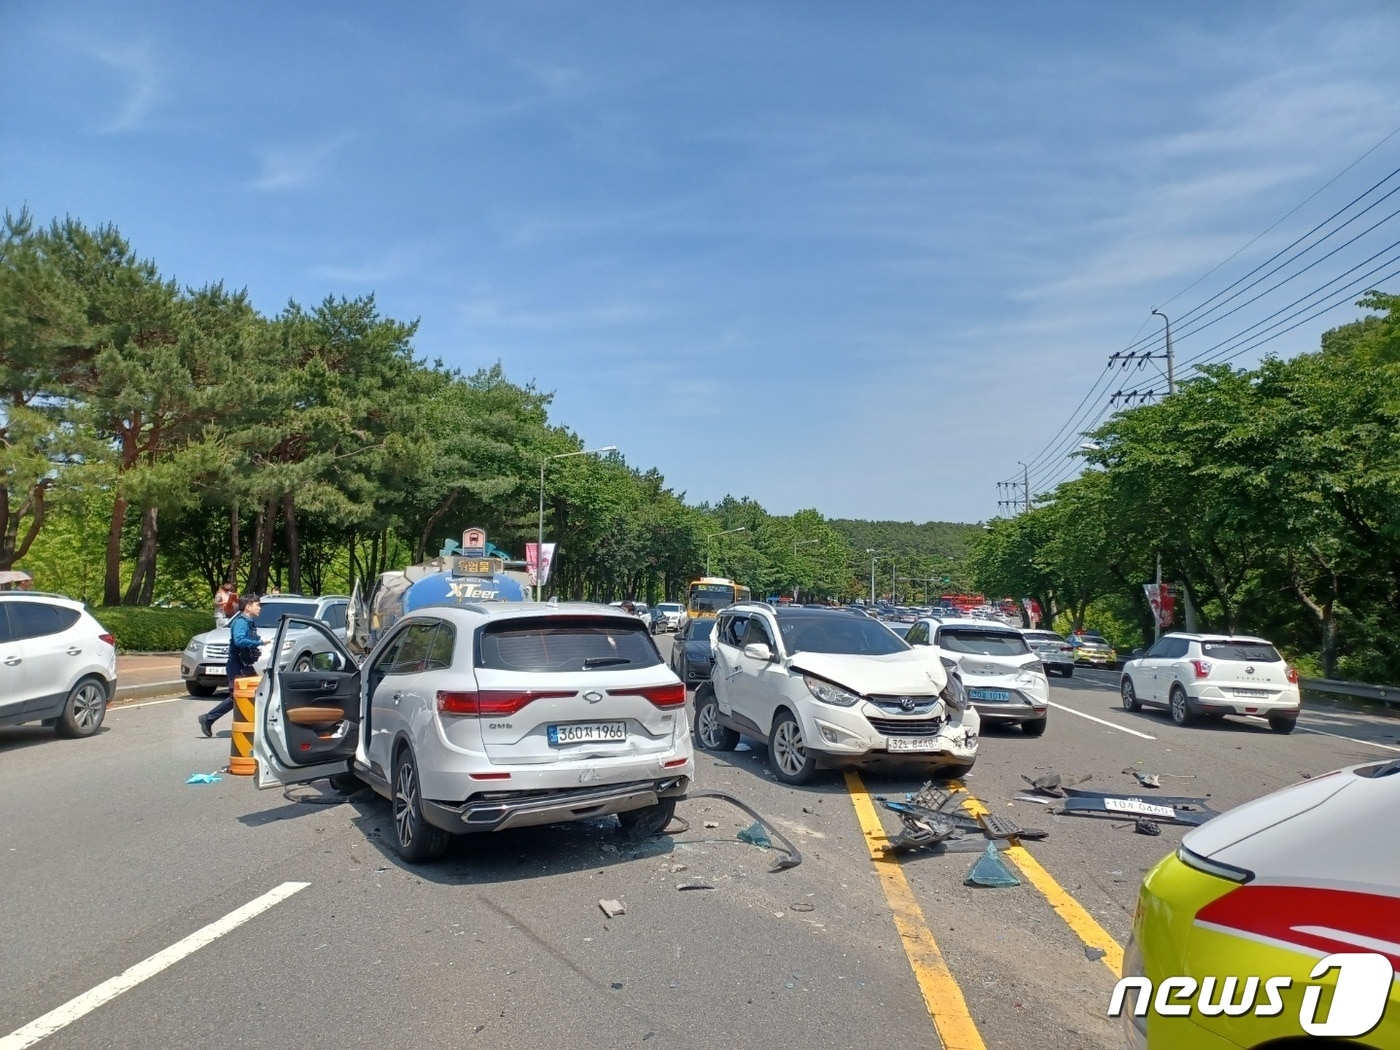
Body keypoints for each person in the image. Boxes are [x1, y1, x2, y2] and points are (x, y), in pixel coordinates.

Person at [199, 593, 263, 737]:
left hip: (244, 665)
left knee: (256, 692)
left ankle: (257, 725)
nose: (260, 608)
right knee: (237, 696)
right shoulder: (241, 622)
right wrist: (259, 642)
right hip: (237, 666)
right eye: (257, 605)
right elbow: (239, 641)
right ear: (248, 607)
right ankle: (208, 718)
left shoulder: (248, 621)